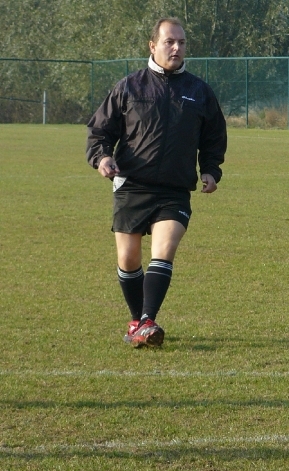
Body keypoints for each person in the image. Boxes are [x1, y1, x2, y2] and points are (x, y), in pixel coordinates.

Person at [86, 17, 227, 348]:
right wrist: (102, 158)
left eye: (181, 42)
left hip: (174, 190)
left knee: (164, 251)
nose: (177, 48)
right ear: (153, 46)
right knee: (129, 258)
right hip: (132, 185)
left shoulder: (199, 91)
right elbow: (99, 131)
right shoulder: (129, 87)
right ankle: (140, 321)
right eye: (169, 42)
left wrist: (210, 169)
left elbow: (214, 136)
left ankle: (146, 320)